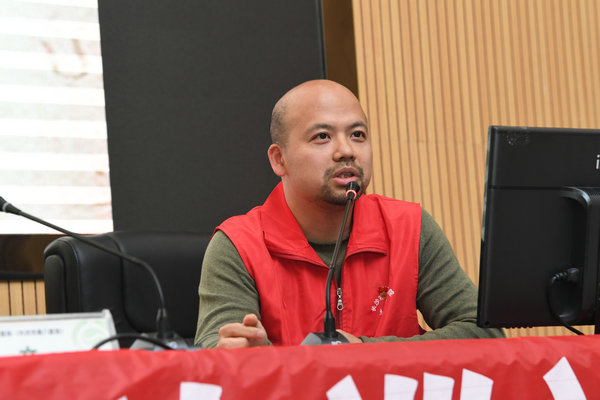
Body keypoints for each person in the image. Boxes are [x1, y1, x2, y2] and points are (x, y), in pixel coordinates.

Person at [194, 79, 504, 348]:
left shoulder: (408, 228)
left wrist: (365, 351)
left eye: (358, 134)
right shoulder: (239, 245)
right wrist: (258, 359)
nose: (346, 150)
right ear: (279, 160)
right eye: (322, 137)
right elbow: (214, 354)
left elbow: (484, 332)